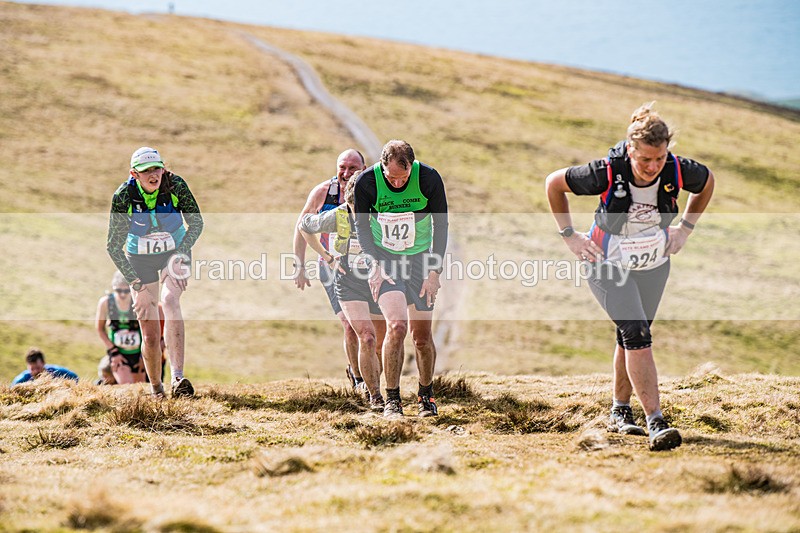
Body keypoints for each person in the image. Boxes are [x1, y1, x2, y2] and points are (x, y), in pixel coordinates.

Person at [545, 103, 714, 451]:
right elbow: (553, 184)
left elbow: (708, 181)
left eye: (660, 158)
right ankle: (656, 422)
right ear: (630, 149)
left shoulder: (678, 170)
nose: (653, 167)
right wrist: (570, 236)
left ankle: (620, 412)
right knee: (636, 331)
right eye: (645, 159)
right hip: (604, 262)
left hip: (653, 264)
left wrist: (685, 228)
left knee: (633, 335)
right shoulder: (605, 171)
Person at [353, 140, 448, 419]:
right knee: (396, 326)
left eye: (402, 179)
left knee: (421, 338)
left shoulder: (429, 178)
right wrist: (374, 264)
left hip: (419, 260)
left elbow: (441, 226)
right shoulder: (367, 182)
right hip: (386, 261)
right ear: (382, 167)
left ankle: (426, 395)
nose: (396, 184)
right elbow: (361, 226)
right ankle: (392, 399)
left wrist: (434, 272)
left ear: (412, 169)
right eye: (391, 178)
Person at [106, 147, 203, 398]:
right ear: (134, 174)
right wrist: (136, 286)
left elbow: (197, 222)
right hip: (139, 259)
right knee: (149, 335)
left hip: (175, 251)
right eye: (146, 170)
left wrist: (180, 256)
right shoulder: (123, 196)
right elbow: (113, 246)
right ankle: (156, 389)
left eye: (157, 168)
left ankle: (178, 379)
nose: (153, 174)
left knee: (171, 300)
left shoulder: (175, 184)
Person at [298, 177, 388, 411]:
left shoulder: (383, 209)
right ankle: (375, 396)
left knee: (379, 344)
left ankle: (376, 385)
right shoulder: (338, 214)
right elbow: (305, 225)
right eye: (354, 208)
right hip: (348, 281)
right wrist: (328, 257)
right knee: (366, 337)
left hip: (378, 280)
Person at [293, 149, 369, 390]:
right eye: (342, 167)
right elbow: (302, 226)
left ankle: (370, 373)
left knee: (371, 326)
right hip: (331, 266)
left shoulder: (370, 191)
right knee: (348, 323)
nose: (346, 173)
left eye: (352, 168)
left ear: (363, 169)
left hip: (364, 267)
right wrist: (300, 264)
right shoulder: (323, 191)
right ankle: (358, 378)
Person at [95, 272, 167, 385]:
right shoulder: (106, 303)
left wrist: (145, 355)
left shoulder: (139, 302)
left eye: (126, 291)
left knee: (140, 386)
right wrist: (113, 352)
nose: (122, 294)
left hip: (140, 352)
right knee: (126, 385)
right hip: (119, 352)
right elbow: (100, 329)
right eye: (118, 291)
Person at [12, 348, 79, 385]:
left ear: (44, 363)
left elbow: (76, 378)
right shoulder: (21, 380)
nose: (35, 371)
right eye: (32, 368)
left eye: (38, 368)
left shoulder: (57, 372)